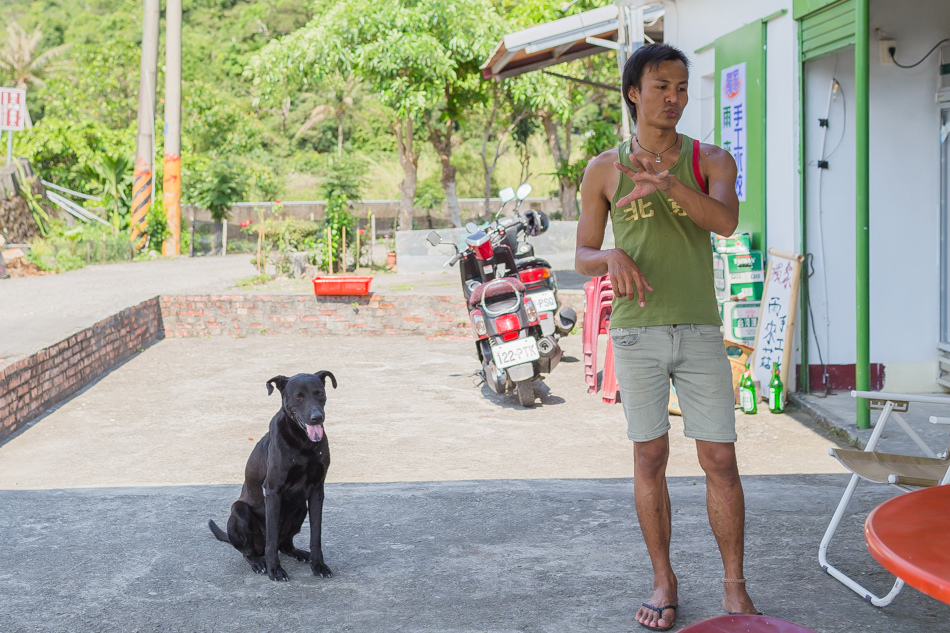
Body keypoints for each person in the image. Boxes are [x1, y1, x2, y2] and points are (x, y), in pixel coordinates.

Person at [575, 43, 759, 631]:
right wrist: (608, 257)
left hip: (701, 330)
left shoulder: (712, 160)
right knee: (649, 455)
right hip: (635, 333)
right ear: (634, 92)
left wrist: (668, 186)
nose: (674, 98)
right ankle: (663, 577)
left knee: (720, 460)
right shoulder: (603, 169)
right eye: (661, 87)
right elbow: (580, 254)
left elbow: (726, 223)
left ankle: (734, 584)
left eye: (681, 88)